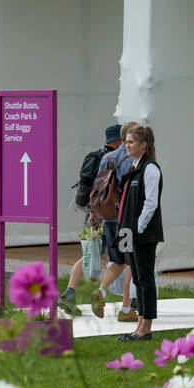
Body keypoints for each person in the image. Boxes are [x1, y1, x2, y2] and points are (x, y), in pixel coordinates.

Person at [60, 124, 121, 317]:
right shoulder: (112, 159)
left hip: (92, 211)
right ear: (118, 141)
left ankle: (69, 293)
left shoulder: (97, 155)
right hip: (108, 214)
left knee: (90, 253)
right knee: (122, 257)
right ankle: (126, 300)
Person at [88, 121, 139, 322]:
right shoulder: (132, 158)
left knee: (117, 261)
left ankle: (100, 291)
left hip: (108, 217)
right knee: (132, 263)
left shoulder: (107, 157)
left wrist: (94, 214)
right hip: (125, 218)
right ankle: (126, 310)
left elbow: (98, 187)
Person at [116, 125, 162, 342]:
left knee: (145, 279)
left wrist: (139, 229)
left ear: (143, 144)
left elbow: (150, 203)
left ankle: (146, 327)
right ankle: (139, 325)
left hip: (142, 234)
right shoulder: (133, 167)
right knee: (137, 279)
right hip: (128, 232)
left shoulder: (150, 168)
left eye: (131, 142)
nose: (126, 144)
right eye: (125, 141)